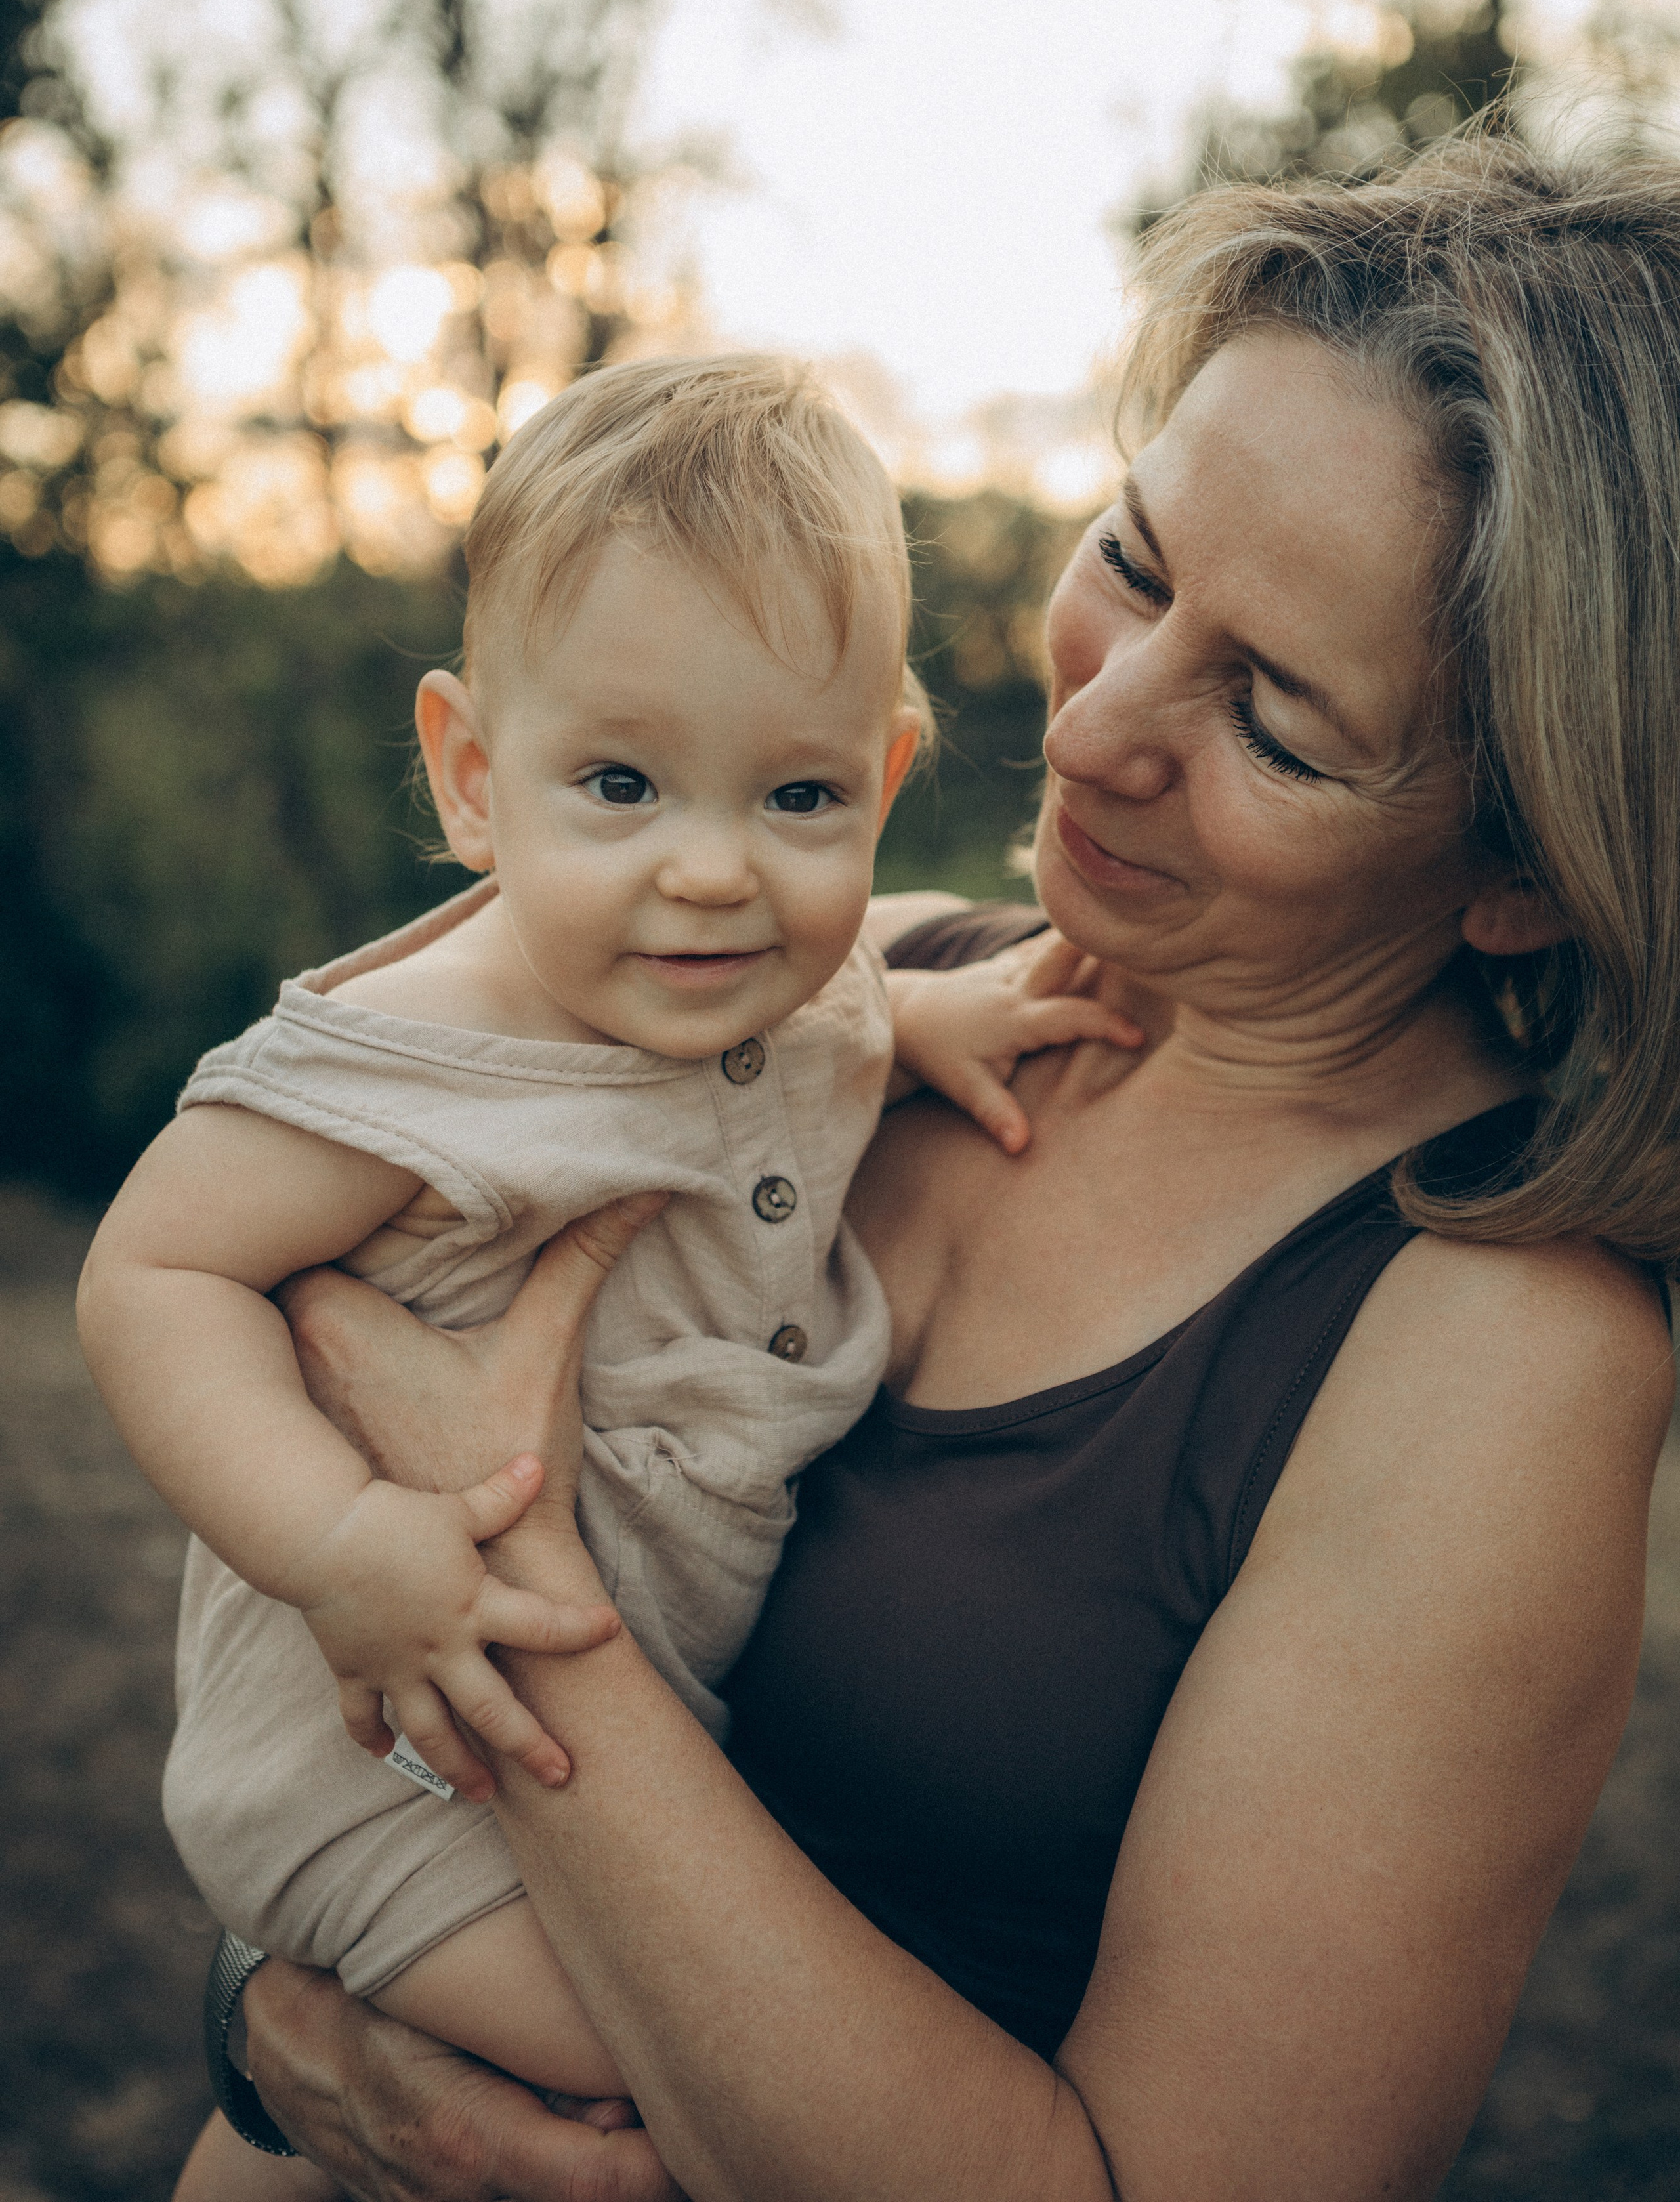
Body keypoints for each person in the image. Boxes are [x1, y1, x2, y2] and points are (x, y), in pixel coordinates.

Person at [193, 137, 1679, 2202]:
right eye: (1140, 566)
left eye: (1280, 722)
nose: (1092, 734)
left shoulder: (1491, 1345)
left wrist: (510, 1593)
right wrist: (279, 2032)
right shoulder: (838, 985)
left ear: (1529, 870)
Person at [75, 354, 1137, 2195]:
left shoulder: (782, 993)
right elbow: (149, 1276)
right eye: (624, 784)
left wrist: (931, 1011)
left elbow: (832, 1004)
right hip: (394, 1764)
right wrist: (335, 1543)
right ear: (476, 777)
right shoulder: (412, 1066)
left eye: (799, 795)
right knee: (660, 2105)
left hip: (595, 1760)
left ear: (882, 780)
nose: (715, 875)